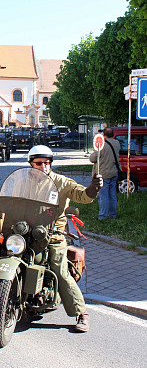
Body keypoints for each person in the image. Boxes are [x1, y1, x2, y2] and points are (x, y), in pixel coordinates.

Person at [27, 145, 103, 333]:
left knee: (59, 269)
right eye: (39, 163)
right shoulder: (23, 181)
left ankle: (81, 312)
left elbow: (82, 196)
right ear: (30, 164)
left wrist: (93, 188)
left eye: (47, 163)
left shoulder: (62, 182)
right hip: (28, 231)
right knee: (2, 253)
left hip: (53, 234)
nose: (43, 166)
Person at [89, 127, 120, 220]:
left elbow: (92, 159)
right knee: (112, 195)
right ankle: (113, 215)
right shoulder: (117, 143)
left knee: (103, 196)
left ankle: (103, 216)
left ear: (103, 134)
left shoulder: (102, 145)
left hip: (103, 174)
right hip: (114, 172)